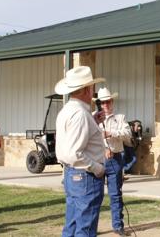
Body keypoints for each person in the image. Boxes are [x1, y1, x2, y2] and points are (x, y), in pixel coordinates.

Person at [55, 66, 106, 237]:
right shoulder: (80, 114)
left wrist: (92, 120)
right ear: (86, 89)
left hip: (73, 175)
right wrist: (97, 168)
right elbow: (74, 152)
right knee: (85, 228)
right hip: (85, 176)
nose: (93, 90)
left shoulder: (69, 111)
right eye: (91, 86)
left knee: (72, 225)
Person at [94, 87, 131, 236]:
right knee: (95, 196)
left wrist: (111, 133)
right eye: (103, 102)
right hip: (98, 159)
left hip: (115, 159)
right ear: (100, 104)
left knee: (115, 195)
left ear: (112, 102)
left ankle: (118, 226)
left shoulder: (120, 118)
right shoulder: (93, 118)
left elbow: (127, 134)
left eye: (108, 101)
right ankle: (91, 227)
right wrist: (103, 149)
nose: (106, 105)